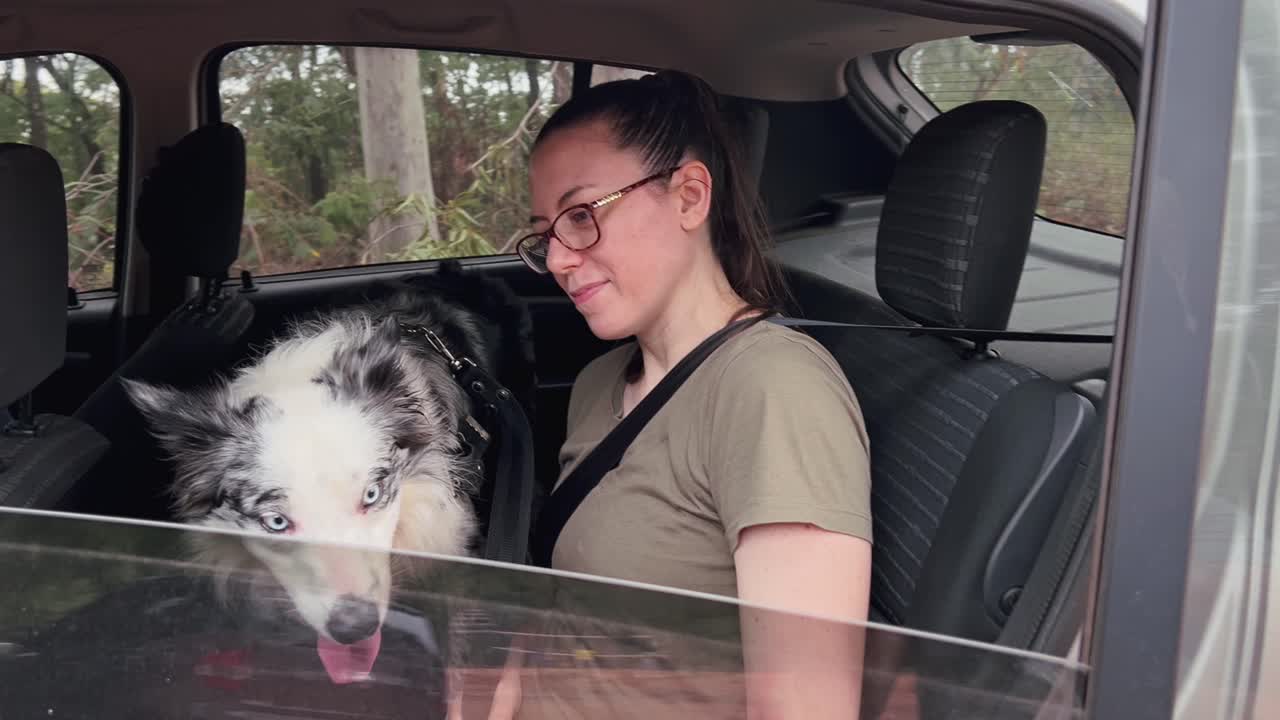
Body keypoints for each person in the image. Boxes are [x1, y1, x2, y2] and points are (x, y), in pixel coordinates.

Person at [486, 69, 873, 720]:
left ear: (690, 196)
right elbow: (575, 611)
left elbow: (804, 712)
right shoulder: (599, 383)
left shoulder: (774, 392)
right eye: (545, 232)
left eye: (581, 216)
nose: (556, 259)